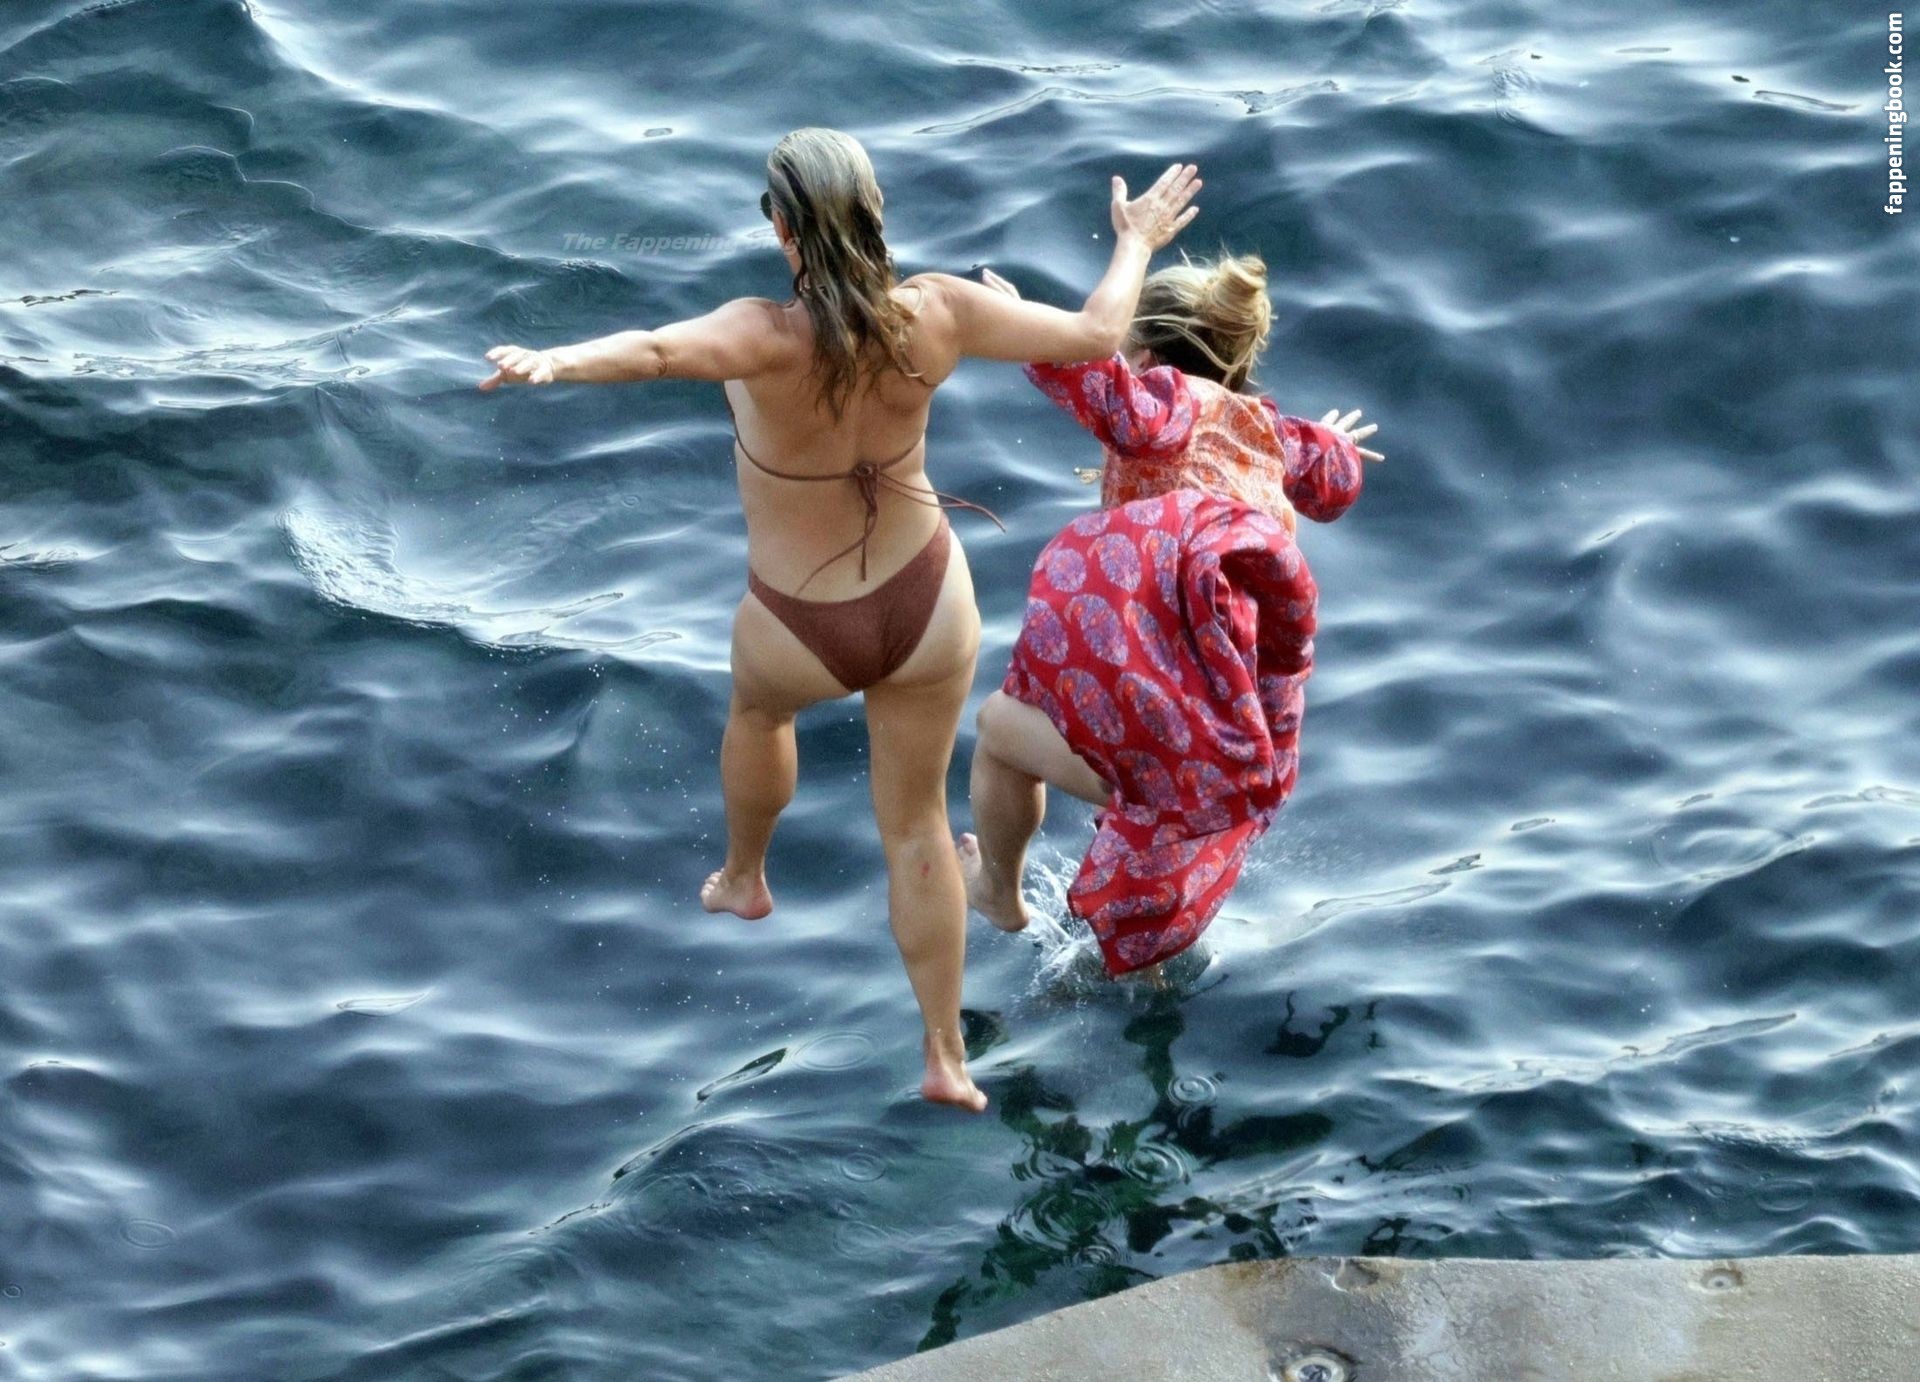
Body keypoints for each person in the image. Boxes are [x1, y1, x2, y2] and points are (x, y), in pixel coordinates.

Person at [478, 128, 1201, 1109]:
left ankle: (744, 875)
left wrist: (553, 361)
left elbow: (653, 351)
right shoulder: (937, 311)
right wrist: (1136, 241)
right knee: (917, 826)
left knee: (760, 713)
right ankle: (946, 1055)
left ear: (781, 227)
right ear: (878, 212)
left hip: (799, 621)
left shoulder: (763, 335)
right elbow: (1095, 336)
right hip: (927, 601)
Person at [957, 252, 1382, 979]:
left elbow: (1094, 382)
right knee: (1150, 815)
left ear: (1148, 359)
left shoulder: (1165, 403)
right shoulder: (1272, 434)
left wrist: (1025, 324)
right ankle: (1145, 967)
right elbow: (1334, 482)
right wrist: (1336, 445)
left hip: (1172, 707)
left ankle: (999, 894)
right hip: (1236, 729)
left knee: (998, 727)